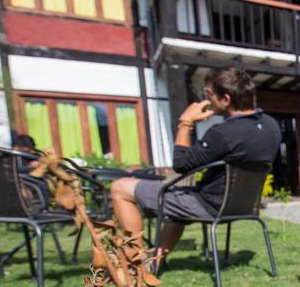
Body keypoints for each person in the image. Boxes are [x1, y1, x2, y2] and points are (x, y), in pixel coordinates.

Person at [110, 67, 279, 264]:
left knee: (120, 187)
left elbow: (181, 165)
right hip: (243, 206)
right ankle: (154, 260)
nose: (205, 99)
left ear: (225, 99)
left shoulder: (223, 133)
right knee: (178, 203)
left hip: (208, 205)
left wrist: (186, 122)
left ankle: (137, 262)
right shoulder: (271, 126)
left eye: (207, 94)